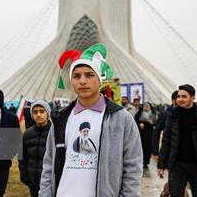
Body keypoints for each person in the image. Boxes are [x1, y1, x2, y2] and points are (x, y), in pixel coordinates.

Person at [40, 43, 142, 196]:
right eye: (76, 76)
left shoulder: (121, 118)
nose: (82, 81)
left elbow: (133, 166)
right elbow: (49, 165)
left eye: (89, 75)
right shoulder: (61, 118)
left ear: (100, 79)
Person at [157, 84, 197, 197]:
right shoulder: (172, 116)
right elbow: (166, 141)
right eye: (178, 96)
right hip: (177, 165)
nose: (180, 99)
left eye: (184, 96)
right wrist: (161, 165)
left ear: (193, 97)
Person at [19, 100, 52, 197]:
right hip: (32, 181)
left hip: (49, 181)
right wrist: (24, 176)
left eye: (42, 111)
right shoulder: (27, 134)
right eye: (35, 112)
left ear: (47, 113)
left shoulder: (55, 133)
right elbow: (22, 157)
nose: (38, 115)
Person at [152, 90, 178, 158]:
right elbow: (156, 132)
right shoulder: (165, 114)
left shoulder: (187, 113)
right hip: (169, 151)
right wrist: (155, 151)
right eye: (178, 98)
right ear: (173, 100)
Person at [135, 102, 155, 169]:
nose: (145, 108)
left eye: (147, 106)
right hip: (141, 133)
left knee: (148, 147)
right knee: (141, 147)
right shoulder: (139, 114)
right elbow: (135, 121)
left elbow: (156, 123)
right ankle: (140, 160)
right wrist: (139, 124)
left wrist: (152, 123)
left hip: (149, 134)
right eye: (144, 106)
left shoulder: (152, 114)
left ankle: (146, 162)